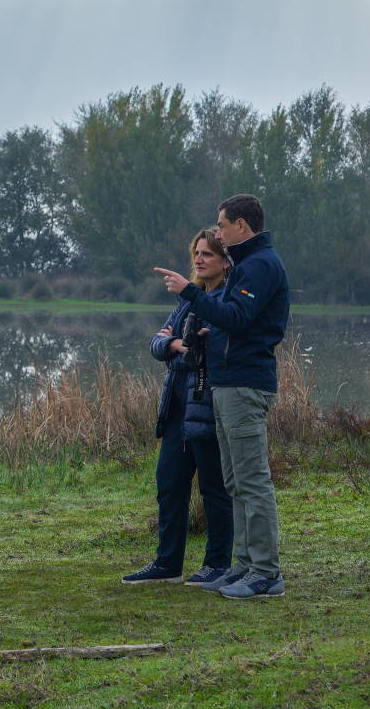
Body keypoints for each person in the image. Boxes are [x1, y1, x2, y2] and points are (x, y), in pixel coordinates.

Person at [154, 194, 290, 599]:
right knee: (235, 481)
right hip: (228, 383)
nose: (219, 231)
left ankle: (266, 573)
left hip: (245, 384)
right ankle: (245, 567)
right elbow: (238, 322)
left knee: (252, 481)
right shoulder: (248, 266)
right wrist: (217, 332)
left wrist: (189, 292)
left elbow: (239, 317)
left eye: (223, 225)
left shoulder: (259, 265)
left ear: (242, 226)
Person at [123, 227, 233, 586]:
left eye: (208, 254)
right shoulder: (188, 301)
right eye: (196, 254)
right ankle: (167, 563)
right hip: (176, 410)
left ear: (225, 262)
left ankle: (217, 564)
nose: (199, 260)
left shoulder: (229, 302)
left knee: (215, 490)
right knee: (169, 486)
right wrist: (174, 347)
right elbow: (157, 343)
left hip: (209, 408)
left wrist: (197, 346)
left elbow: (223, 345)